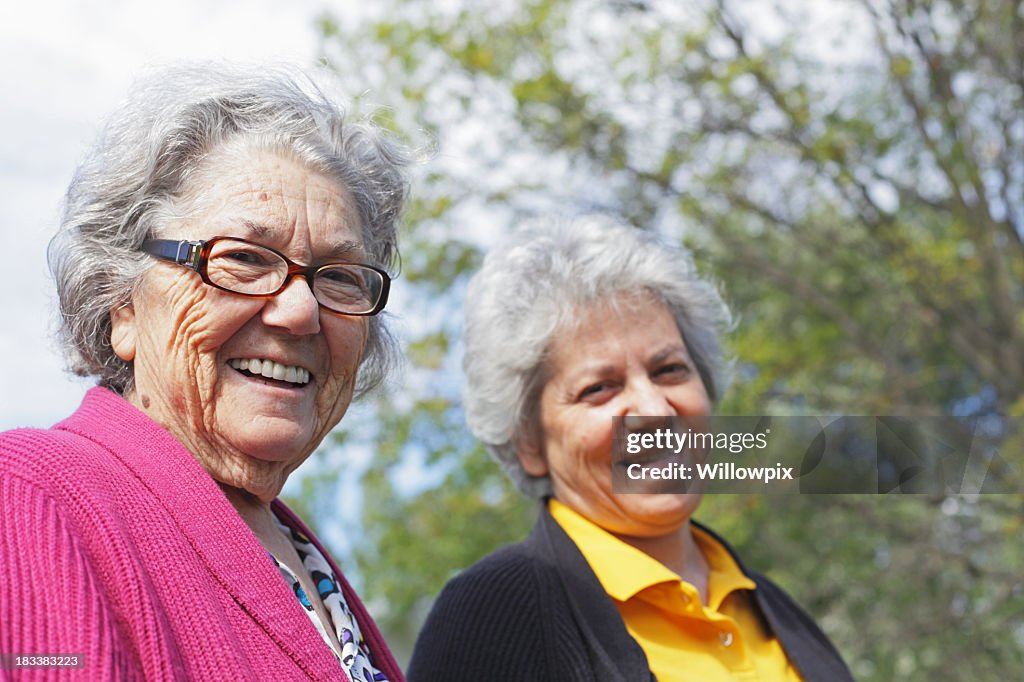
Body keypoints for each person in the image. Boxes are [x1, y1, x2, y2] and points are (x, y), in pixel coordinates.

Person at [0, 63, 407, 681]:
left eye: (340, 277)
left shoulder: (305, 559)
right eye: (242, 258)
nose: (301, 311)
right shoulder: (34, 497)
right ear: (122, 304)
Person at [407, 216, 854, 681]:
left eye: (669, 370)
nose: (654, 408)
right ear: (529, 443)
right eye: (600, 388)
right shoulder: (493, 615)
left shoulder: (772, 606)